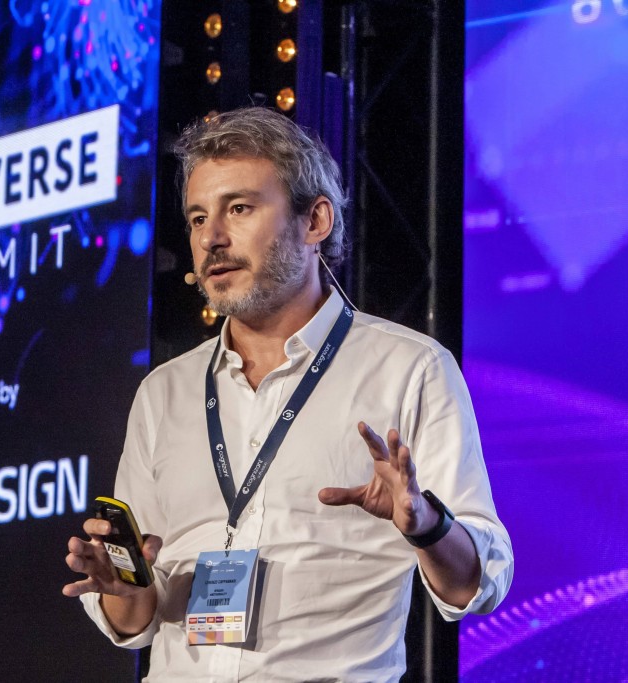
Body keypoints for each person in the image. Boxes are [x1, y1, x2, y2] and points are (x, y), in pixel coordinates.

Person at [63, 107, 513, 681]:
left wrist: (426, 523)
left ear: (315, 220)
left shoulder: (409, 368)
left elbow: (479, 584)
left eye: (239, 208)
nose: (211, 238)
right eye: (198, 218)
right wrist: (122, 585)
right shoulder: (164, 392)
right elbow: (137, 619)